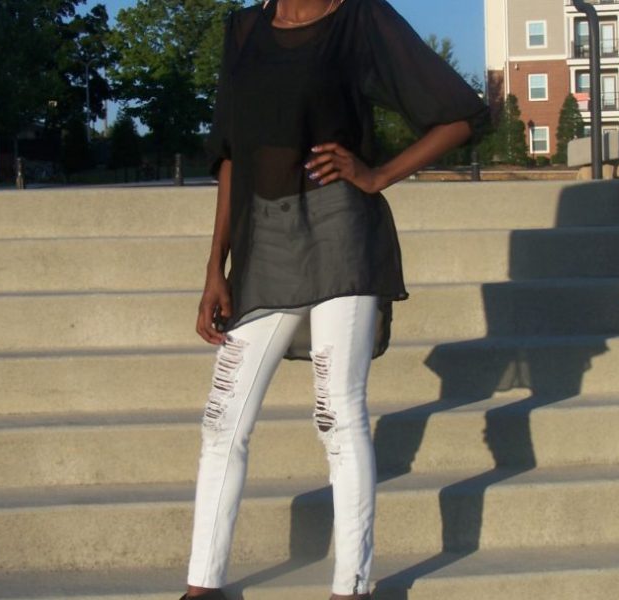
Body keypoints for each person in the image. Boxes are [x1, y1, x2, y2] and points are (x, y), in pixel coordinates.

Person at [181, 1, 488, 599]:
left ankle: (352, 587)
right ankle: (203, 586)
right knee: (222, 420)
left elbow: (460, 115)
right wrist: (215, 267)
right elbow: (231, 155)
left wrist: (377, 175)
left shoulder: (359, 19)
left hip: (339, 233)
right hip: (264, 239)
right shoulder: (243, 30)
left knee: (337, 415)